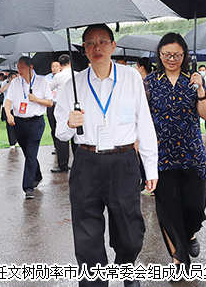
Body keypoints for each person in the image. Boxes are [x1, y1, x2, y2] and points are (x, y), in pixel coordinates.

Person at [55, 24, 158, 287]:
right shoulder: (73, 85)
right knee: (87, 235)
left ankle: (125, 268)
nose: (97, 47)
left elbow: (143, 123)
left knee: (130, 233)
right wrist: (70, 122)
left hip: (123, 161)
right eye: (90, 43)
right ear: (84, 50)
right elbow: (62, 134)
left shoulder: (131, 78)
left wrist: (151, 168)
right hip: (87, 162)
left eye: (102, 41)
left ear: (113, 45)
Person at [144, 33, 206, 269]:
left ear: (185, 55)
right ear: (159, 55)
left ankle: (191, 233)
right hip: (162, 156)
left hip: (192, 153)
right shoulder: (151, 81)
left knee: (196, 206)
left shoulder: (192, 80)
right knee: (168, 211)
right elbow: (142, 117)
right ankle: (178, 258)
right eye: (166, 55)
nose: (171, 59)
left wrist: (200, 88)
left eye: (177, 55)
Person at [3, 56, 53, 198]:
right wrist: (8, 113)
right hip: (19, 122)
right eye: (18, 67)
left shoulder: (42, 82)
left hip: (36, 122)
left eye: (21, 67)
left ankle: (28, 187)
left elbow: (50, 103)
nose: (19, 70)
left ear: (30, 67)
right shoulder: (15, 82)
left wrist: (36, 99)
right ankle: (37, 175)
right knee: (28, 153)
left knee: (31, 153)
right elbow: (9, 100)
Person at [49, 54, 75, 173]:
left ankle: (63, 164)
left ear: (60, 64)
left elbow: (49, 88)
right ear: (70, 63)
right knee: (76, 136)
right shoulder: (77, 74)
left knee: (61, 137)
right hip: (76, 107)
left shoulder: (59, 76)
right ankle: (78, 162)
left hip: (63, 108)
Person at [0, 72, 18, 149]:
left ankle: (16, 140)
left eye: (15, 77)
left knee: (17, 124)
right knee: (9, 125)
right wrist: (9, 83)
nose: (13, 79)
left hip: (16, 106)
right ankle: (12, 142)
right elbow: (1, 91)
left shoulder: (18, 84)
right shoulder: (5, 83)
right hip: (7, 106)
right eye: (12, 77)